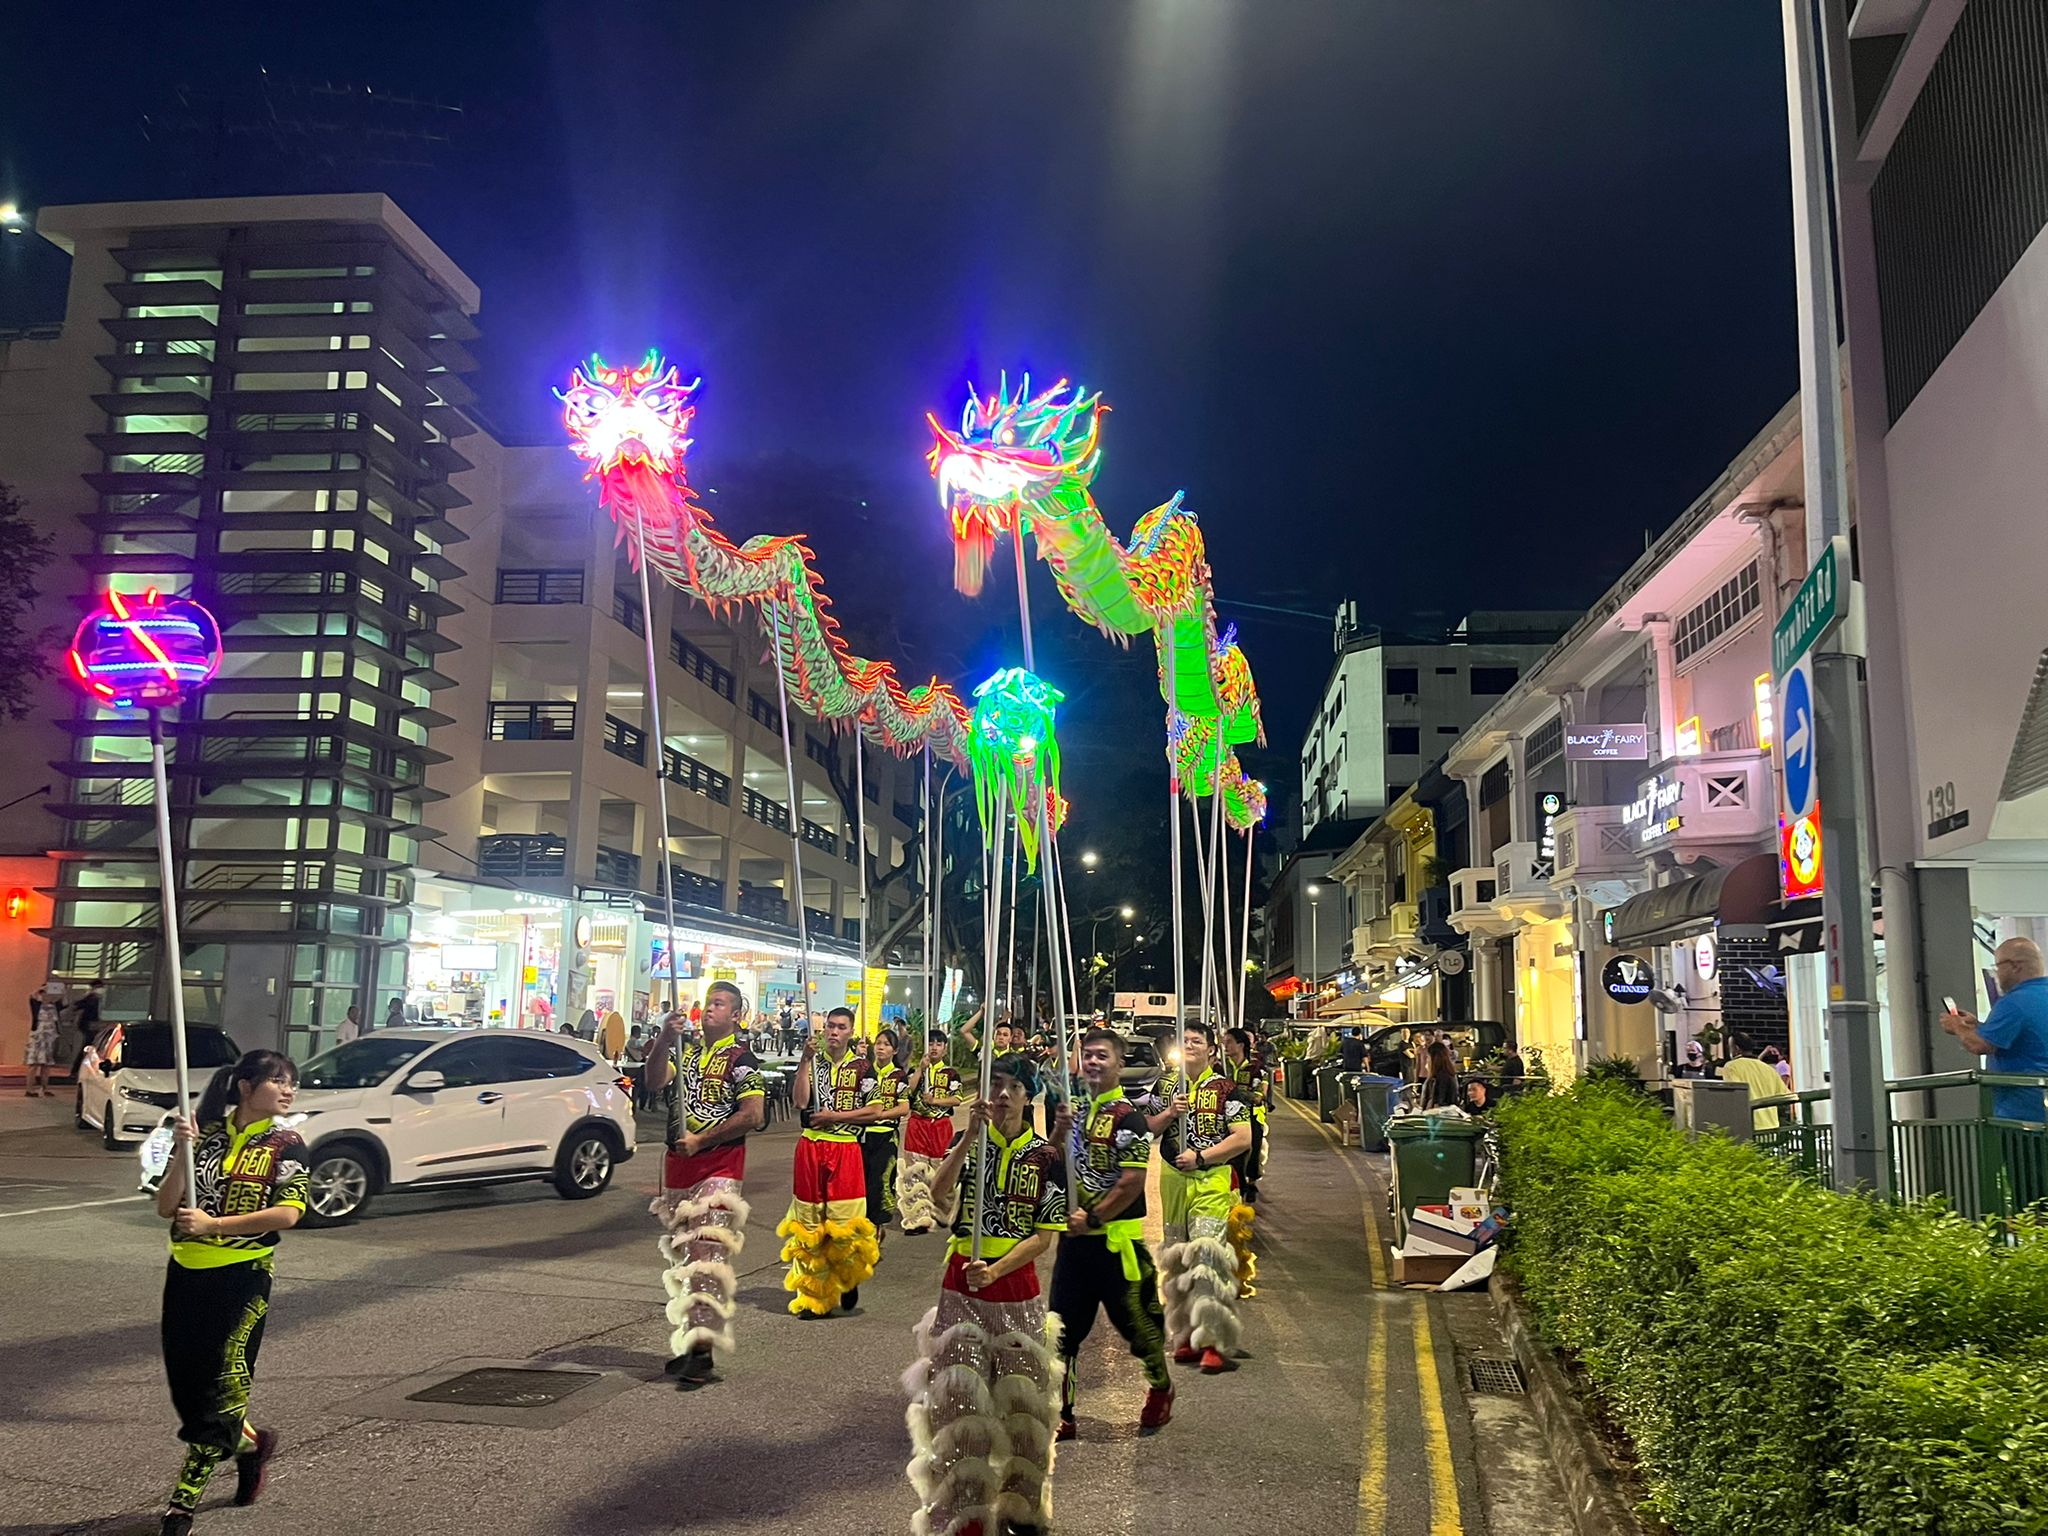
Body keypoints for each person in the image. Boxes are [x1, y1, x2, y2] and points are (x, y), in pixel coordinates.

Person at [904, 1054, 1067, 1536]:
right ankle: (966, 1512)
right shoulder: (967, 1140)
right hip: (961, 1286)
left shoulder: (1046, 1157)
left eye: (1013, 1086)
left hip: (1016, 1289)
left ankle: (1022, 1508)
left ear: (1027, 1095)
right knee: (959, 1405)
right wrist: (968, 1139)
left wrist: (995, 1269)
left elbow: (1044, 1237)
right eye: (995, 1084)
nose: (1001, 1094)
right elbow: (938, 1193)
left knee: (1025, 1409)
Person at [154, 1049, 307, 1534]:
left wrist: (214, 1224)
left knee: (224, 1391)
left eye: (292, 1084)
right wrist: (183, 1149)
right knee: (190, 1393)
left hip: (244, 1277)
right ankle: (250, 1445)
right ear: (245, 1085)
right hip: (186, 1273)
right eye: (278, 1081)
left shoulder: (288, 1142)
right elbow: (165, 1205)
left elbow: (289, 1213)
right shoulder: (207, 1136)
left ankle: (182, 1505)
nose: (288, 1091)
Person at [1049, 1029, 1173, 1440]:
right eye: (1088, 1055)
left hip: (1116, 1247)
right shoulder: (1075, 1110)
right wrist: (1060, 1131)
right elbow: (1053, 1160)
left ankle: (1160, 1387)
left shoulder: (1130, 1119)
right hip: (1074, 1246)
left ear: (1119, 1064)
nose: (1094, 1062)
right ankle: (1062, 1412)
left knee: (1139, 1329)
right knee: (1061, 1334)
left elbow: (1131, 1183)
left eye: (1102, 1055)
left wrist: (1094, 1220)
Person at [644, 980, 765, 1386]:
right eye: (707, 1003)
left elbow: (753, 1115)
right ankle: (693, 1342)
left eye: (719, 1004)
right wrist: (664, 1037)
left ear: (735, 1015)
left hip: (720, 1168)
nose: (709, 1009)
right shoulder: (687, 1052)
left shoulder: (743, 1059)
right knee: (685, 1261)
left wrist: (703, 1139)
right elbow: (654, 1081)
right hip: (680, 1169)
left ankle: (702, 1351)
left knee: (707, 1258)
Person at [781, 1006, 881, 1317]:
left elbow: (875, 1110)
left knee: (845, 1223)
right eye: (830, 1026)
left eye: (840, 1027)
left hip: (846, 1148)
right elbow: (799, 1101)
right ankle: (814, 1297)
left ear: (851, 1032)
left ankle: (847, 1277)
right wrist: (804, 1061)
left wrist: (834, 1116)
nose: (834, 1032)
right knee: (809, 1223)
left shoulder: (865, 1068)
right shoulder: (814, 1063)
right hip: (811, 1146)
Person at [1942, 937, 2048, 1120]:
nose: (1997, 973)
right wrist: (1980, 1027)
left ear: (2015, 966)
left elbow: (1980, 1046)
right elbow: (2030, 1037)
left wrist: (1957, 1026)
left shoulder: (2014, 1002)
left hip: (2022, 1112)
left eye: (1998, 966)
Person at [898, 1031, 965, 1234]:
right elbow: (907, 1091)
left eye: (939, 1043)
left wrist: (935, 1101)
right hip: (918, 1125)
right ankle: (919, 1218)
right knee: (915, 1172)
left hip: (940, 1126)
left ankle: (942, 1211)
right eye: (931, 1043)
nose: (934, 1047)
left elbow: (957, 1099)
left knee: (941, 1170)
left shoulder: (951, 1074)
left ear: (945, 1048)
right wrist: (920, 1069)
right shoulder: (917, 1071)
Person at [861, 1029, 910, 1240]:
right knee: (861, 1182)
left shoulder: (898, 1076)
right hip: (862, 1135)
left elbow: (904, 1107)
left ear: (895, 1050)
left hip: (886, 1136)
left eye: (886, 1044)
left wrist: (880, 1114)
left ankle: (877, 1227)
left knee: (880, 1182)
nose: (881, 1047)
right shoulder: (864, 1072)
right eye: (878, 1043)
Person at [1718, 1037, 1787, 1130]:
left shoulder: (1731, 1067)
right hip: (1772, 1127)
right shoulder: (1769, 1069)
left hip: (1747, 1128)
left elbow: (1735, 1096)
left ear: (1736, 1049)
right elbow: (1785, 1097)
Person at [24, 983, 60, 1098]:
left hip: (49, 1037)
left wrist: (60, 990)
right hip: (38, 1037)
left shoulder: (54, 1006)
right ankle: (29, 1089)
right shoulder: (37, 1005)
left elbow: (65, 1002)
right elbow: (32, 996)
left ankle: (44, 1088)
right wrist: (41, 988)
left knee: (47, 1064)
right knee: (33, 1063)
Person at [69, 980, 104, 1080]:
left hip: (91, 1026)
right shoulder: (91, 998)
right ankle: (77, 1070)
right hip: (89, 1026)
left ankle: (78, 1070)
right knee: (87, 1048)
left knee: (89, 1048)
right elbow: (78, 1006)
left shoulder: (95, 998)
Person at [1419, 1039, 1461, 1110]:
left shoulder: (1442, 1078)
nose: (1427, 1061)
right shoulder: (1445, 1076)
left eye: (1428, 1057)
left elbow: (1439, 1103)